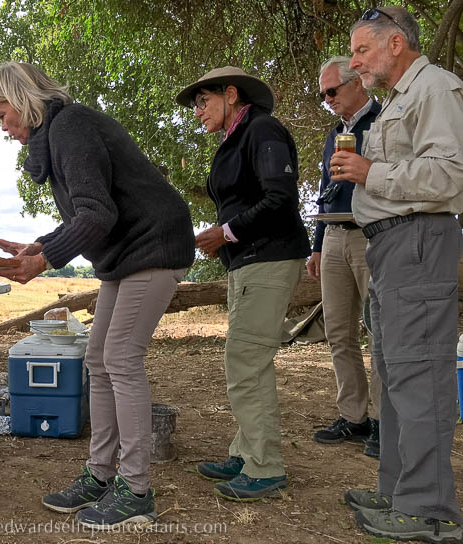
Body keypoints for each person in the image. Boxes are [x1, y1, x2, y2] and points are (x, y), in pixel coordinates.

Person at [0, 61, 194, 529]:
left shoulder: (70, 127)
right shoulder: (58, 135)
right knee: (97, 359)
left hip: (155, 243)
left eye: (3, 117)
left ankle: (136, 490)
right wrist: (40, 244)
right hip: (127, 252)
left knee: (120, 357)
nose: (5, 129)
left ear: (21, 102)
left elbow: (97, 214)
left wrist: (44, 261)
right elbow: (90, 212)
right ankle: (100, 475)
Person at [330, 7, 463, 542]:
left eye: (362, 50)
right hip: (390, 247)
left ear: (395, 45)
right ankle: (398, 491)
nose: (354, 61)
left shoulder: (436, 89)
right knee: (395, 370)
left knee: (420, 373)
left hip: (419, 242)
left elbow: (451, 175)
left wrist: (370, 171)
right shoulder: (397, 102)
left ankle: (429, 512)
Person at [175, 67, 310, 501]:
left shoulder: (262, 130)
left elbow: (280, 199)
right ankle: (245, 450)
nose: (197, 113)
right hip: (245, 263)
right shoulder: (233, 140)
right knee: (243, 359)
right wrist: (223, 239)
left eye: (202, 102)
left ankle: (265, 466)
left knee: (246, 361)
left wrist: (225, 233)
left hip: (268, 258)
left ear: (230, 94)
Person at [308, 56, 382, 458]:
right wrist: (317, 245)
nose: (328, 100)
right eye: (323, 95)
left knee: (381, 334)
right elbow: (325, 189)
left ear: (358, 83)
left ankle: (388, 423)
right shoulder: (335, 133)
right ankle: (354, 417)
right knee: (339, 332)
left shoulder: (384, 123)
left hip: (372, 236)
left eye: (332, 91)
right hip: (334, 234)